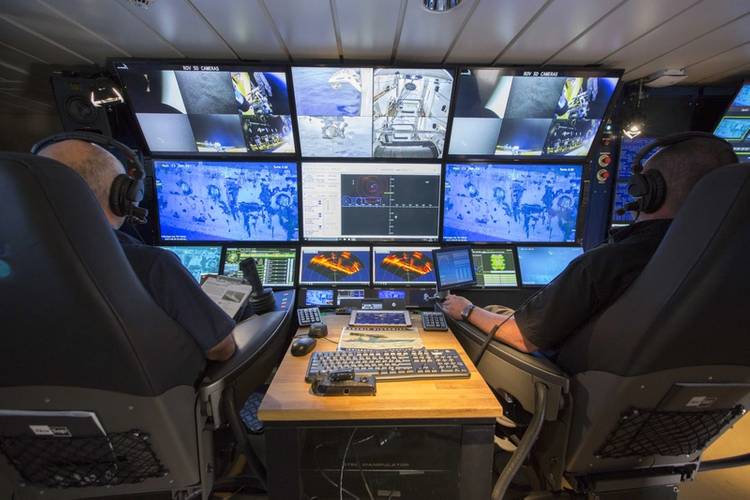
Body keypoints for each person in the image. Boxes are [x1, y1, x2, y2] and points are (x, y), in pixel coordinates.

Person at [443, 135, 738, 368]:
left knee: (486, 319)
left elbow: (522, 337)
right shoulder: (729, 262)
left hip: (571, 391)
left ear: (649, 192)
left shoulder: (609, 264)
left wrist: (465, 309)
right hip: (662, 410)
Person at [38, 139, 237, 361]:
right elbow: (222, 349)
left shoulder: (15, 265)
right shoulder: (153, 266)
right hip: (164, 391)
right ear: (123, 196)